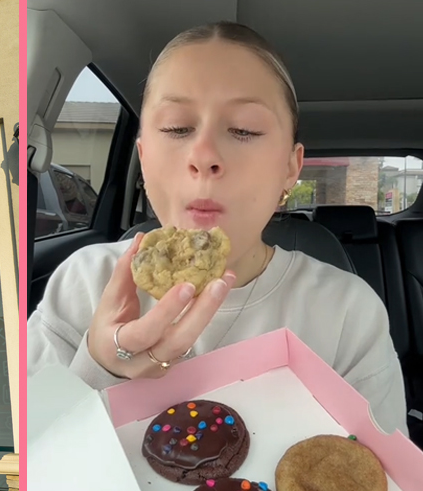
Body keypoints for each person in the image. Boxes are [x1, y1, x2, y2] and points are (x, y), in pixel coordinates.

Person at [27, 21, 407, 436]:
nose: (204, 155)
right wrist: (99, 368)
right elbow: (22, 471)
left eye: (244, 130)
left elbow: (384, 488)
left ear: (290, 167)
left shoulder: (347, 313)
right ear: (144, 158)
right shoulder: (83, 284)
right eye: (176, 128)